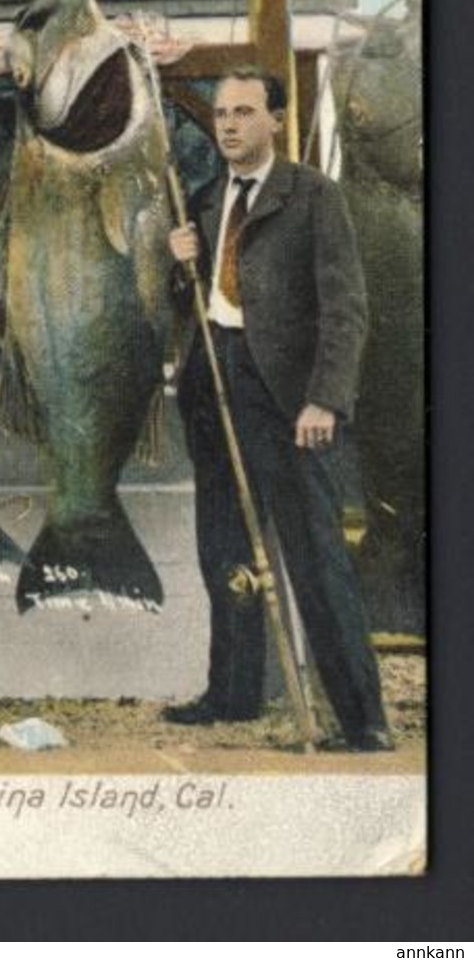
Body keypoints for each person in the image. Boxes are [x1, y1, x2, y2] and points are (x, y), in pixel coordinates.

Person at [165, 67, 391, 751]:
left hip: (287, 397)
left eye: (242, 112)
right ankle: (231, 695)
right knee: (224, 549)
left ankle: (361, 720)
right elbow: (197, 306)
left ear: (273, 121)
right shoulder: (205, 198)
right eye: (220, 113)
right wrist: (181, 262)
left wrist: (323, 397)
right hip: (215, 384)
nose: (227, 124)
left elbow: (345, 309)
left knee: (313, 556)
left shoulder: (313, 196)